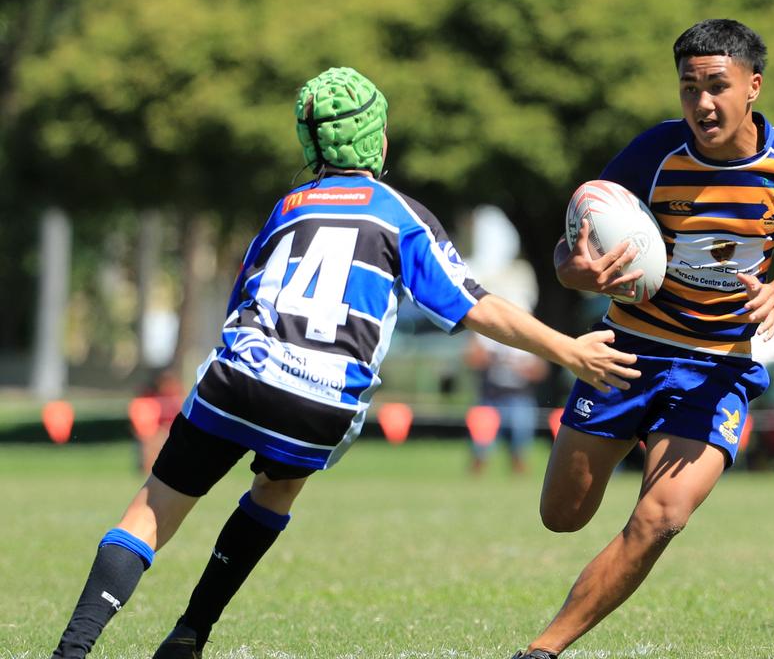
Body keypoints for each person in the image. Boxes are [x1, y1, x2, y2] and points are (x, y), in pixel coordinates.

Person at [47, 67, 641, 659]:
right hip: (323, 402)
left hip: (243, 373)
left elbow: (243, 299)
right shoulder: (400, 215)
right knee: (274, 492)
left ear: (311, 145)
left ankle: (72, 651)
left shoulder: (290, 207)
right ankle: (189, 636)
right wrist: (568, 348)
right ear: (379, 141)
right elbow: (473, 307)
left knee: (153, 509)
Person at [510, 19, 774, 659]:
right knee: (562, 514)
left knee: (662, 518)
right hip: (625, 355)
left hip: (717, 369)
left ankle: (542, 651)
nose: (702, 103)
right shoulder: (651, 154)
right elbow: (572, 249)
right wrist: (579, 271)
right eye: (689, 88)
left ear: (753, 86)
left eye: (717, 86)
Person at [464, 331, 549, 474]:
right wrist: (492, 358)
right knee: (480, 449)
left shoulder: (530, 335)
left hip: (520, 398)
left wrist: (520, 366)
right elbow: (471, 359)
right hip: (489, 398)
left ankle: (517, 486)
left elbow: (541, 371)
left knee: (520, 449)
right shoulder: (483, 335)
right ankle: (473, 485)